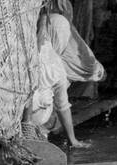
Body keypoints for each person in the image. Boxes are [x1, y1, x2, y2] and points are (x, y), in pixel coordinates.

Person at [25, 14, 88, 147]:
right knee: (55, 114)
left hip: (13, 114)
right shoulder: (55, 63)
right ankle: (38, 133)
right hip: (35, 116)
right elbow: (63, 107)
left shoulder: (27, 44)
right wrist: (73, 140)